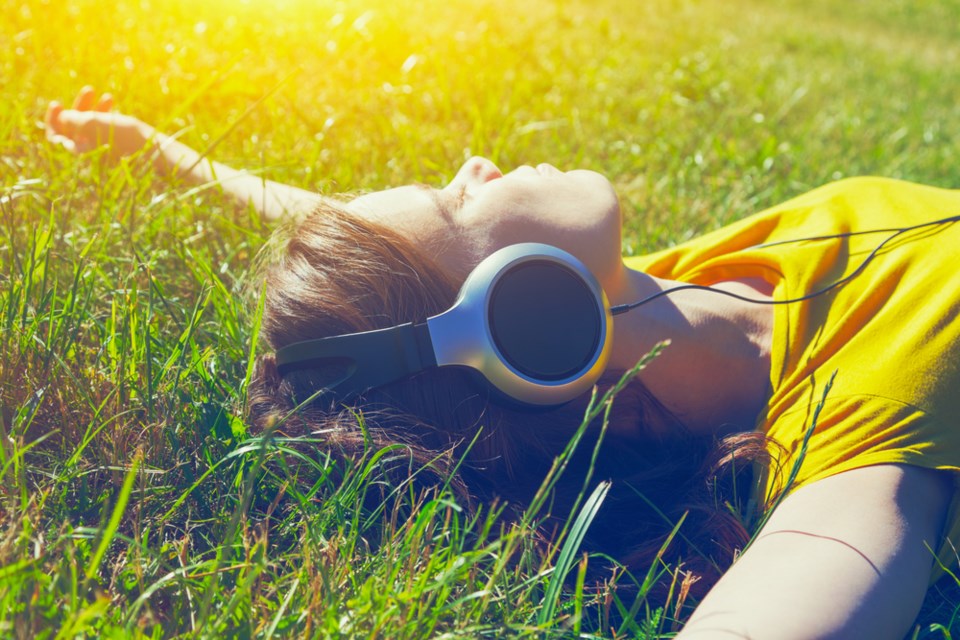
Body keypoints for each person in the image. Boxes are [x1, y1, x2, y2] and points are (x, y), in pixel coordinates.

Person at [46, 87, 960, 639]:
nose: (475, 164)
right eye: (455, 200)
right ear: (524, 314)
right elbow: (797, 592)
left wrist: (167, 156)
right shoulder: (873, 413)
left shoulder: (668, 289)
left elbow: (330, 218)